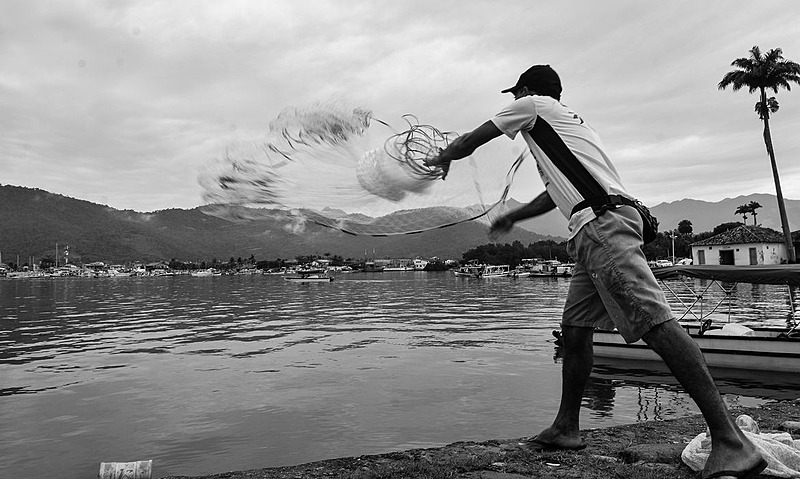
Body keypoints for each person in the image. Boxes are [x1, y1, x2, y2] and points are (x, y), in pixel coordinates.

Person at [424, 65, 767, 479]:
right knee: (575, 328)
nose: (513, 101)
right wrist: (515, 216)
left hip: (602, 226)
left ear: (527, 91)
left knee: (656, 323)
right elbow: (553, 195)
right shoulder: (568, 129)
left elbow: (471, 140)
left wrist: (442, 156)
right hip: (595, 225)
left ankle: (729, 441)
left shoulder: (532, 106)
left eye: (516, 94)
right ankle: (567, 427)